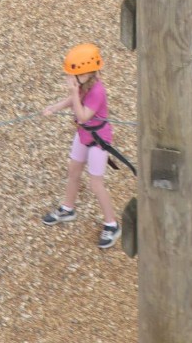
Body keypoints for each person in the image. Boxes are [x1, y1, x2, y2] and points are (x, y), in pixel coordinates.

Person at [41, 43, 121, 250]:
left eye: (73, 75)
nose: (71, 79)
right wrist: (56, 106)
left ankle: (112, 224)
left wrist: (74, 93)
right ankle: (68, 208)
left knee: (96, 183)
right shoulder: (84, 85)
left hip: (97, 140)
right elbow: (73, 100)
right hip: (83, 136)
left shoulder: (98, 91)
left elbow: (84, 116)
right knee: (73, 171)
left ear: (87, 73)